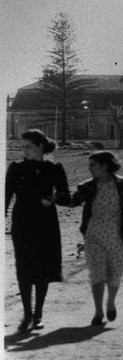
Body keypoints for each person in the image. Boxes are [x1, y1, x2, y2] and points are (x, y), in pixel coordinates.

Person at [5, 130, 70, 333]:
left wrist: (53, 199)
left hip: (45, 223)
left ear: (40, 147)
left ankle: (37, 315)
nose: (24, 151)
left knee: (42, 269)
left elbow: (65, 196)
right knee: (23, 267)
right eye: (22, 146)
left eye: (28, 147)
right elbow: (5, 196)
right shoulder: (15, 169)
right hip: (22, 223)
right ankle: (26, 314)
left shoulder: (54, 169)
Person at [71, 150, 123, 327]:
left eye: (92, 165)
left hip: (118, 237)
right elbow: (73, 201)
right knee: (96, 273)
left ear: (104, 166)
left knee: (114, 273)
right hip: (94, 235)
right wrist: (55, 198)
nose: (89, 169)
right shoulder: (88, 186)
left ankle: (110, 302)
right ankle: (98, 311)